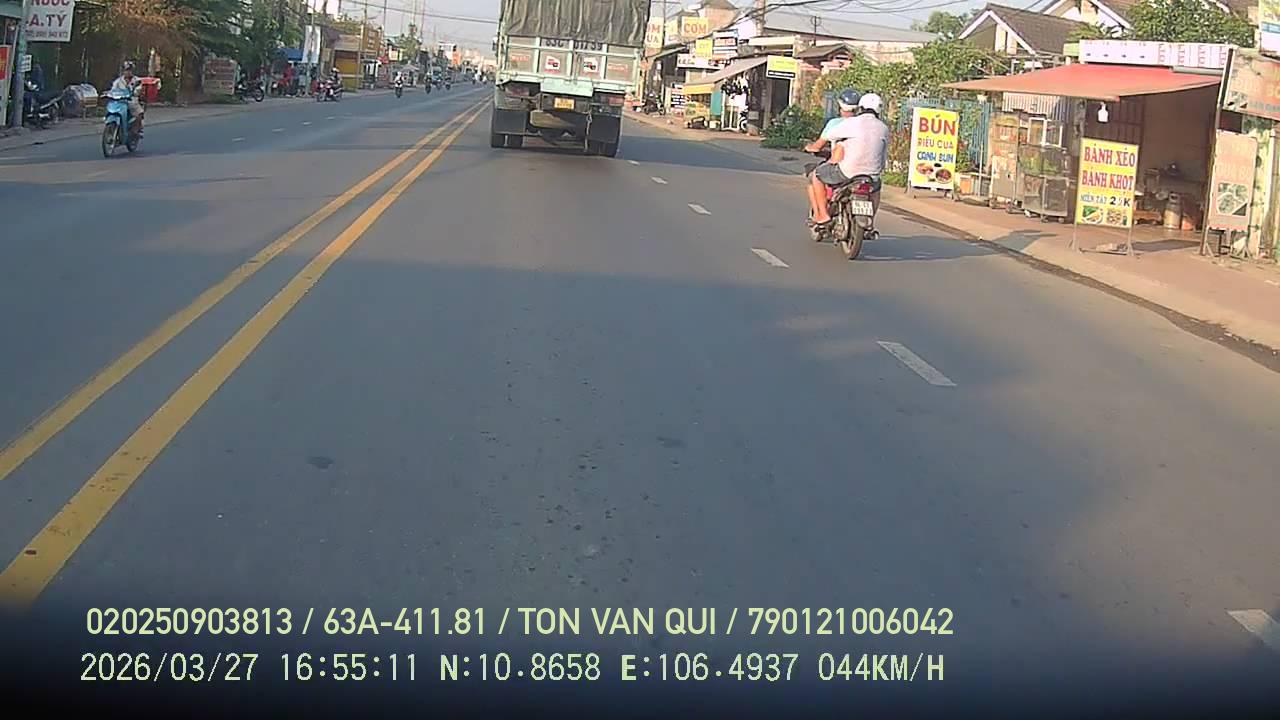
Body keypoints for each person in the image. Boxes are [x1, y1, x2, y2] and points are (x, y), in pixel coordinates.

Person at [805, 93, 888, 227]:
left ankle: (823, 215)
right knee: (876, 188)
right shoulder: (883, 128)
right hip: (871, 175)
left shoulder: (851, 123)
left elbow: (830, 136)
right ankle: (870, 222)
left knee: (817, 175)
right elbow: (883, 154)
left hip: (847, 172)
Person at [110, 61, 145, 136]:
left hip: (132, 101)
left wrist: (136, 92)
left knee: (139, 113)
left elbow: (139, 89)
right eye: (126, 70)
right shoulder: (118, 81)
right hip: (120, 101)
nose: (127, 72)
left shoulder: (137, 80)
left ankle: (136, 129)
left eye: (129, 70)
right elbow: (113, 90)